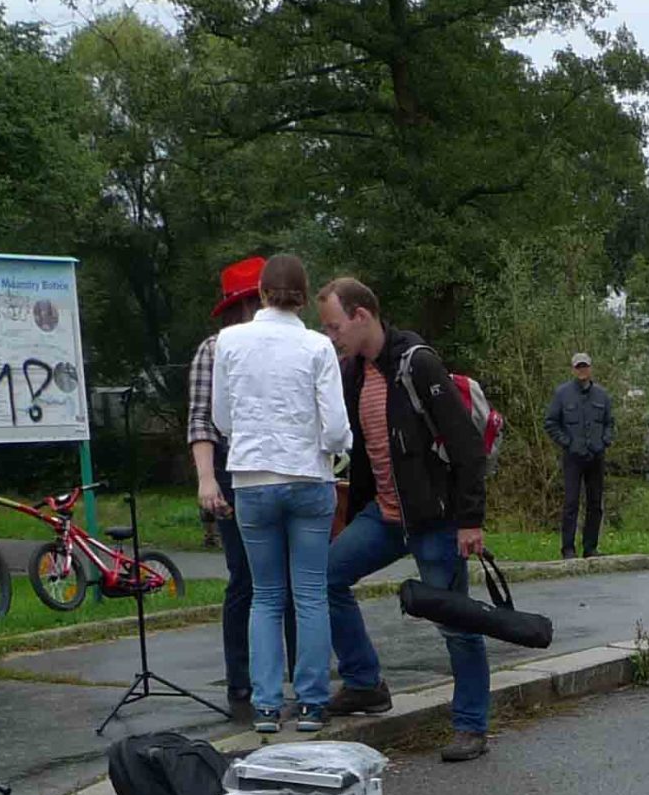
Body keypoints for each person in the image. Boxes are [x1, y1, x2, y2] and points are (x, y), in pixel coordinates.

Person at [316, 277, 495, 762]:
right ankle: (364, 682)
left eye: (334, 327)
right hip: (386, 516)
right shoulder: (354, 373)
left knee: (454, 621)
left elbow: (466, 447)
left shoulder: (417, 364)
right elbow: (362, 453)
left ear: (361, 316)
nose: (331, 336)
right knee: (326, 578)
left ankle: (471, 725)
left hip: (435, 519)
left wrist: (470, 521)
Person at [210, 252, 349, 733]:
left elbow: (221, 418)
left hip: (252, 478)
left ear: (262, 292)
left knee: (265, 596)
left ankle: (266, 706)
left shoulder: (229, 342)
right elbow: (335, 426)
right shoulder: (317, 346)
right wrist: (333, 449)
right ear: (304, 298)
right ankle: (311, 703)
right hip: (309, 477)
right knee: (309, 595)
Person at [186, 255, 288, 712]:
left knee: (293, 577)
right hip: (233, 465)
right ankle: (241, 678)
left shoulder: (289, 343)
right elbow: (201, 420)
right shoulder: (214, 350)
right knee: (245, 576)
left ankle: (296, 673)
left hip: (283, 461)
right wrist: (208, 479)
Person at [543, 350, 614, 558]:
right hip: (573, 457)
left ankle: (590, 547)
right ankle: (568, 548)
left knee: (595, 503)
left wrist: (604, 441)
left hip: (596, 456)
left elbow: (610, 423)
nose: (582, 370)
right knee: (571, 503)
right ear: (573, 370)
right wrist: (567, 443)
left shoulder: (602, 395)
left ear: (590, 368)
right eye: (578, 367)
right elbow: (551, 423)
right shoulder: (562, 394)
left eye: (585, 366)